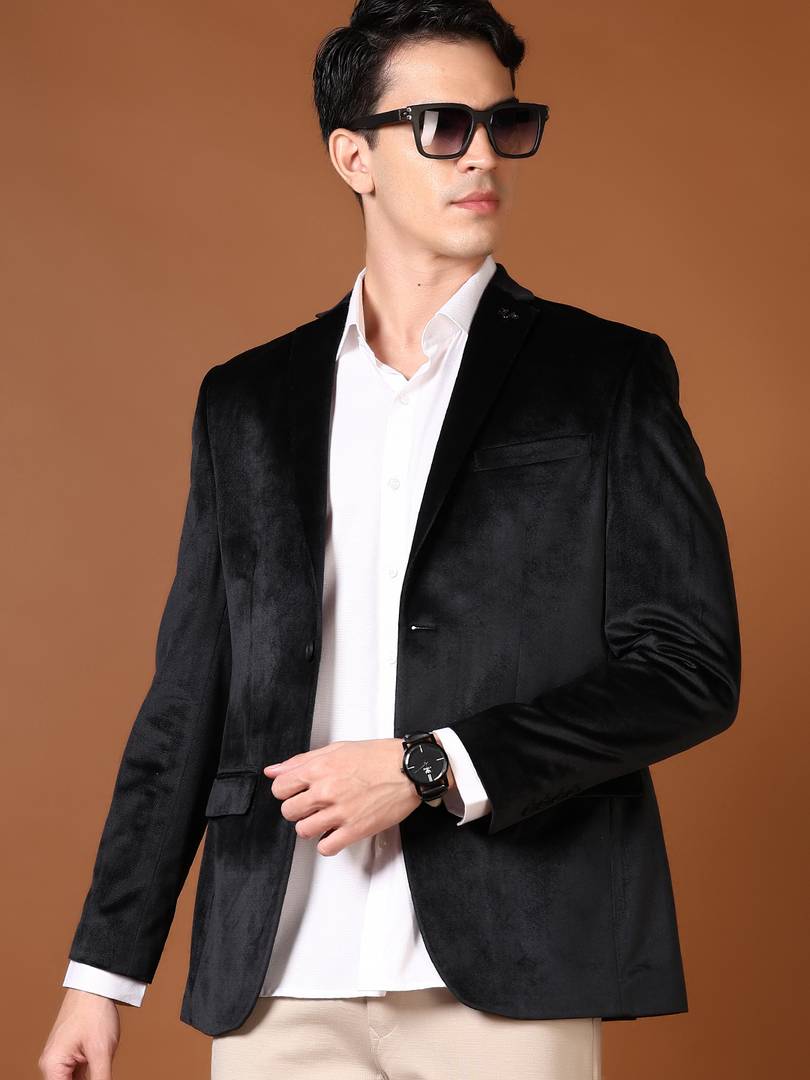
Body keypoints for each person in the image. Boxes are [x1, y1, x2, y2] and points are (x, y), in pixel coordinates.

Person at [39, 2, 741, 1078]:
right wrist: (101, 976)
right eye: (442, 126)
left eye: (505, 124)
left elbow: (686, 668)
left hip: (511, 974)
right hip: (277, 981)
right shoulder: (249, 401)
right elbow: (188, 702)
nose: (483, 156)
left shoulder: (603, 377)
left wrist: (429, 765)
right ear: (353, 156)